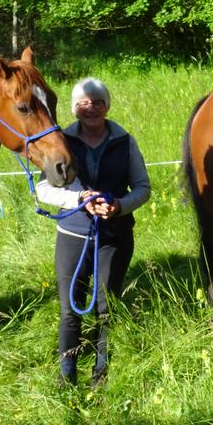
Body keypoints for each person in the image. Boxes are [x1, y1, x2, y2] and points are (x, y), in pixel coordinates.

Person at [36, 77, 151, 388]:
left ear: (107, 106)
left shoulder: (125, 141)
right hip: (72, 236)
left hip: (115, 236)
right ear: (75, 109)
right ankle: (66, 374)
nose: (91, 109)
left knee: (105, 306)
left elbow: (143, 188)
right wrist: (78, 199)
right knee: (70, 308)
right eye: (84, 104)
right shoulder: (61, 141)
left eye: (97, 103)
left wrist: (120, 206)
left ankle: (101, 373)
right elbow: (43, 188)